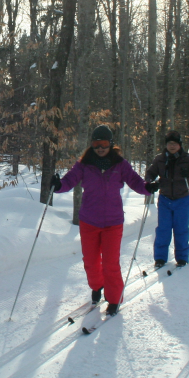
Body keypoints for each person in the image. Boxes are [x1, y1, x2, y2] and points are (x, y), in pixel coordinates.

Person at [52, 125, 152, 317]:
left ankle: (114, 299)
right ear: (92, 145)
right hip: (89, 220)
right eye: (96, 144)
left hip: (113, 222)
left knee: (110, 263)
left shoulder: (120, 164)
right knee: (90, 261)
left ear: (111, 144)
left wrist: (149, 187)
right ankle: (97, 287)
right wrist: (57, 186)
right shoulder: (83, 163)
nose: (100, 148)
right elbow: (69, 181)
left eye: (104, 144)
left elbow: (136, 182)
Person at [145, 131, 189, 269]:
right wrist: (150, 181)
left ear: (180, 145)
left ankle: (182, 258)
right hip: (165, 198)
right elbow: (150, 173)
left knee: (181, 229)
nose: (172, 146)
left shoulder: (188, 159)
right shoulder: (160, 159)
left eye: (175, 143)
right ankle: (160, 258)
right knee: (163, 229)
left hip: (182, 198)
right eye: (170, 143)